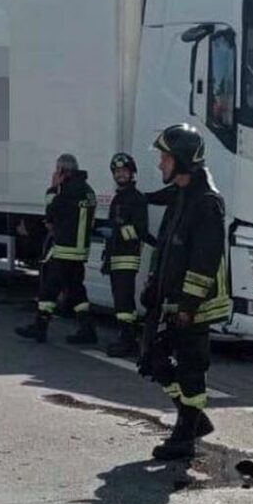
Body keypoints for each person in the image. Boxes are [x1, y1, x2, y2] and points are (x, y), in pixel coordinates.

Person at [142, 123, 230, 461]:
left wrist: (187, 306)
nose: (161, 164)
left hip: (195, 304)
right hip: (173, 298)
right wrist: (154, 285)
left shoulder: (207, 202)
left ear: (181, 160)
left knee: (191, 369)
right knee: (154, 359)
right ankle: (194, 421)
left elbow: (204, 261)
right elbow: (165, 247)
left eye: (165, 158)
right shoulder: (182, 194)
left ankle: (185, 435)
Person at [16, 153, 98, 344]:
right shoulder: (88, 191)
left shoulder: (66, 192)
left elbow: (50, 213)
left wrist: (53, 188)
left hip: (64, 250)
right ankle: (87, 329)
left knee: (48, 290)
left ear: (62, 171)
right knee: (76, 290)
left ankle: (40, 327)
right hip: (80, 252)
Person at [101, 152, 148, 358]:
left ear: (132, 173)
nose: (120, 175)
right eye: (117, 171)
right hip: (116, 256)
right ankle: (126, 337)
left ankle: (128, 340)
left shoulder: (136, 198)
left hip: (127, 257)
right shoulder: (119, 197)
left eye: (124, 171)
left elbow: (139, 229)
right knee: (120, 301)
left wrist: (117, 232)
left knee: (124, 302)